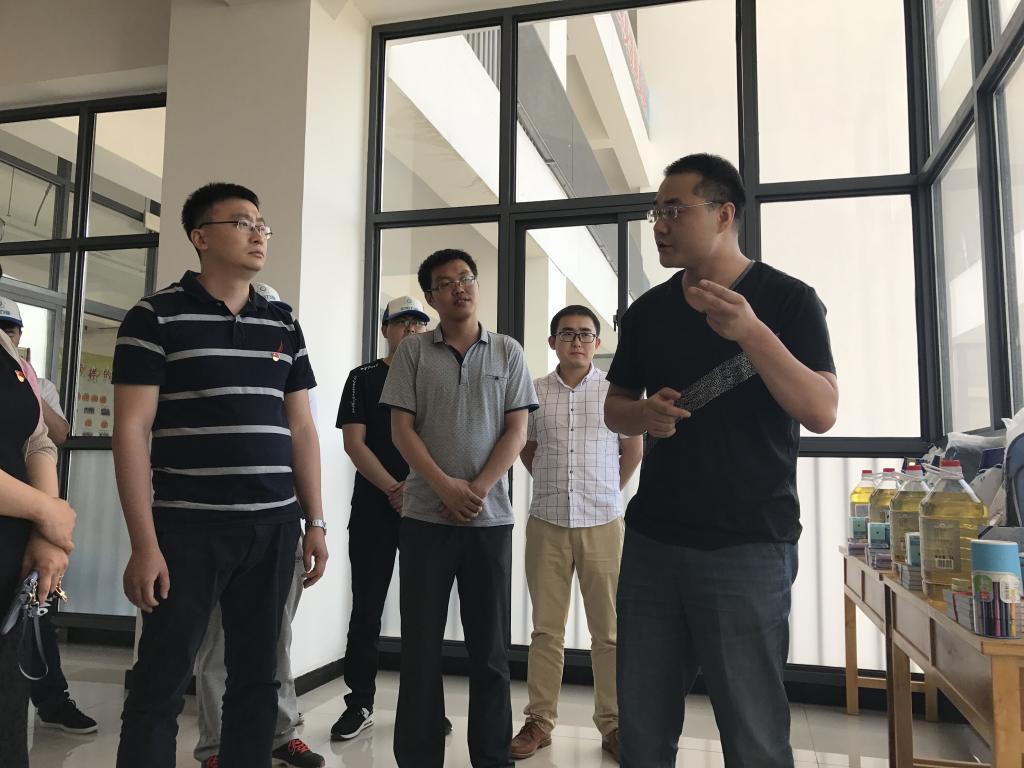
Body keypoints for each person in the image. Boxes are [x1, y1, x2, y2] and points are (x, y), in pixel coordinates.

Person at [604, 153, 838, 768]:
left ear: (724, 214)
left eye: (674, 210)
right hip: (654, 543)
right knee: (643, 731)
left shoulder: (788, 301)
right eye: (656, 212)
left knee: (754, 736)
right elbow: (615, 408)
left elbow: (821, 411)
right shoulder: (648, 312)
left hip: (748, 545)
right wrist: (644, 414)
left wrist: (752, 332)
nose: (660, 225)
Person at [111, 183, 328, 768]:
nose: (258, 233)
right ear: (201, 237)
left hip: (274, 529)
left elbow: (302, 429)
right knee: (161, 679)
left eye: (262, 223)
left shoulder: (282, 322)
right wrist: (144, 544)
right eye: (242, 222)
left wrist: (315, 521)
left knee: (258, 678)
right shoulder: (154, 316)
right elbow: (130, 430)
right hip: (187, 529)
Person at [380, 249, 538, 768]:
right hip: (425, 521)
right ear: (431, 297)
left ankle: (493, 758)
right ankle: (418, 757)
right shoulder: (414, 352)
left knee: (490, 652)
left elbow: (518, 430)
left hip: (489, 523)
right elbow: (401, 430)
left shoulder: (508, 351)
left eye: (466, 278)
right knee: (420, 649)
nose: (459, 288)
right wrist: (444, 486)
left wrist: (478, 489)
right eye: (445, 283)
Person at [192, 283, 324, 768]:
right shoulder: (204, 362)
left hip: (279, 525)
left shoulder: (287, 361)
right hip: (212, 525)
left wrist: (315, 522)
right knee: (217, 644)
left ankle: (280, 733)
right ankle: (216, 745)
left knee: (276, 638)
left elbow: (303, 440)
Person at [510, 305, 642, 762]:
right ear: (553, 343)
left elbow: (632, 449)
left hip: (603, 523)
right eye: (567, 334)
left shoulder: (614, 393)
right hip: (547, 522)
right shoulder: (534, 391)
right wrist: (555, 486)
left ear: (598, 343)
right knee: (546, 630)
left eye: (586, 334)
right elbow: (527, 448)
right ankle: (539, 721)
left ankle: (614, 723)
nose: (577, 342)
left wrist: (603, 490)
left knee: (610, 633)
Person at [331, 295, 452, 741]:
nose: (411, 330)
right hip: (373, 510)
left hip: (427, 510)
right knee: (366, 608)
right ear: (386, 330)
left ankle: (426, 707)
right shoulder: (362, 378)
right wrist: (394, 489)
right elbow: (354, 443)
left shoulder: (435, 375)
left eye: (419, 323)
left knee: (425, 612)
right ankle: (359, 702)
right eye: (402, 323)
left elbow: (443, 442)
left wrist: (418, 491)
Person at [0, 299, 94, 736]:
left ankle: (53, 701)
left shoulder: (11, 360)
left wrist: (47, 533)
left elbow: (40, 438)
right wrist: (46, 510)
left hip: (13, 558)